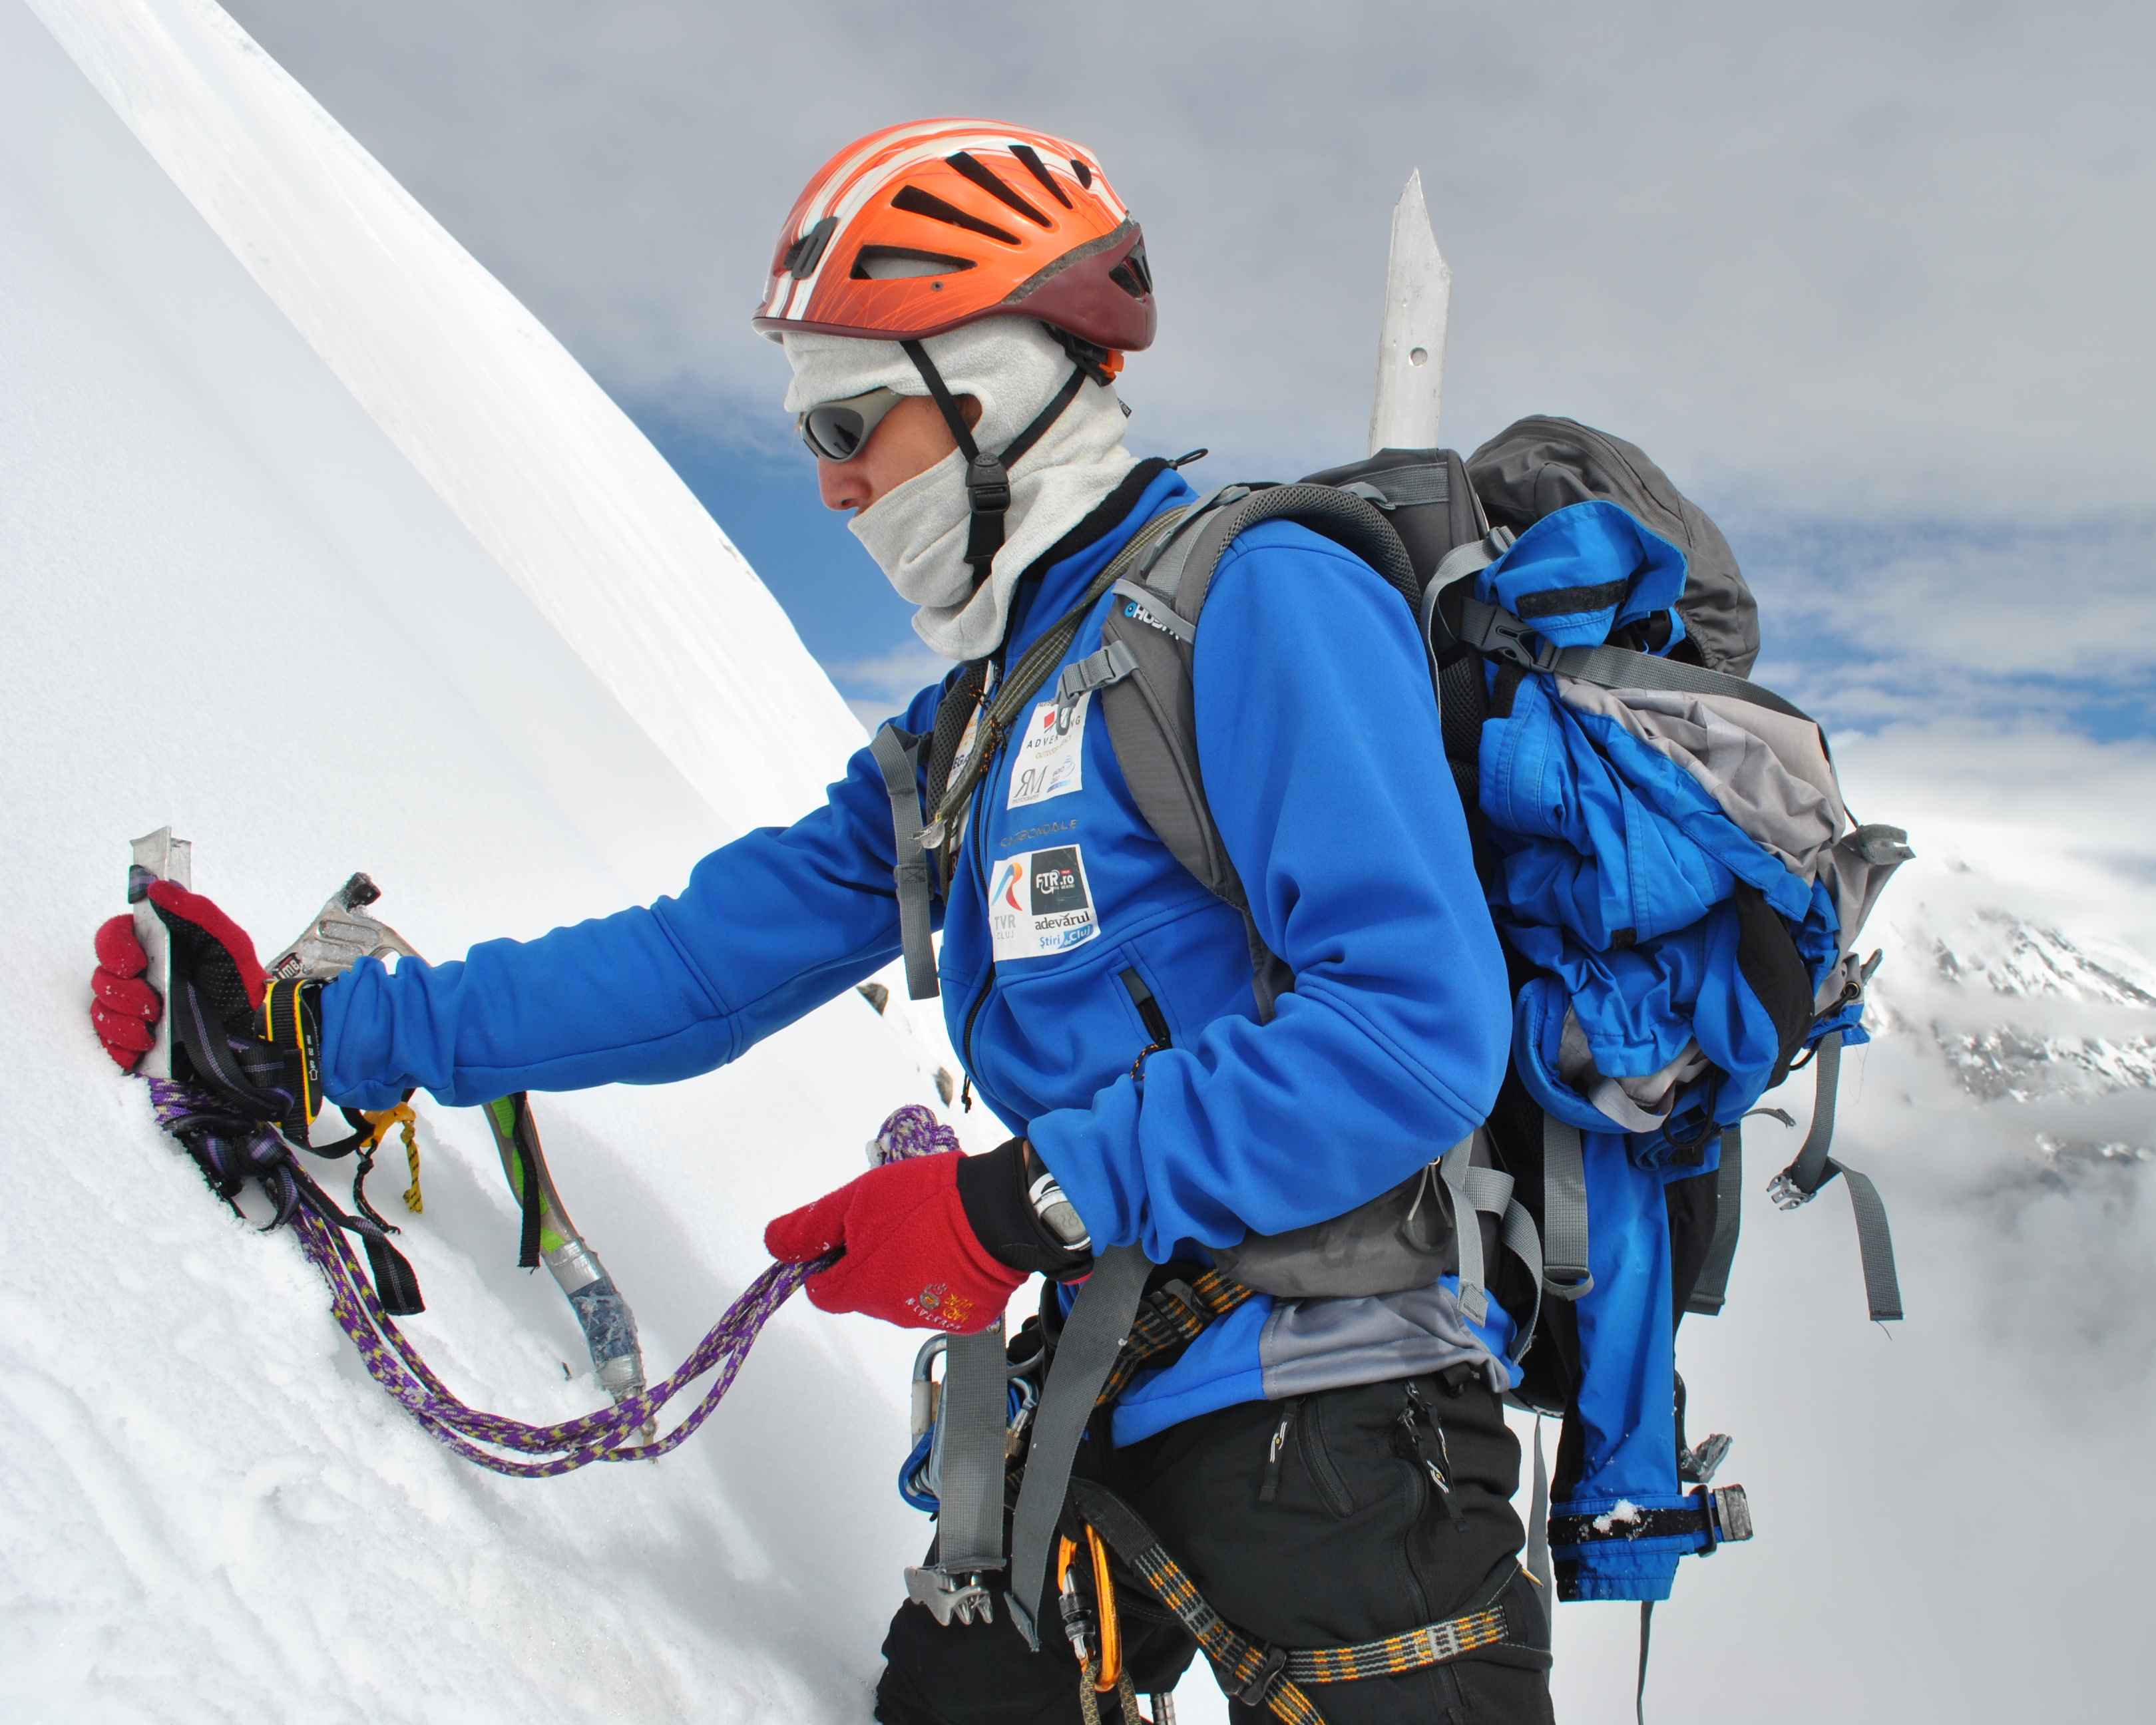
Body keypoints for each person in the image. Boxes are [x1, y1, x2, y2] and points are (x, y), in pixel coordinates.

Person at [91, 118, 1550, 1724]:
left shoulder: (1258, 597)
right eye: (813, 442)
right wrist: (335, 1033)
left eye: (856, 423)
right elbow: (702, 965)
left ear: (992, 394)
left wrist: (1014, 1208)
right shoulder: (971, 729)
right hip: (1090, 1417)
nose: (835, 482)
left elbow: (1411, 1035)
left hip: (1350, 1447)